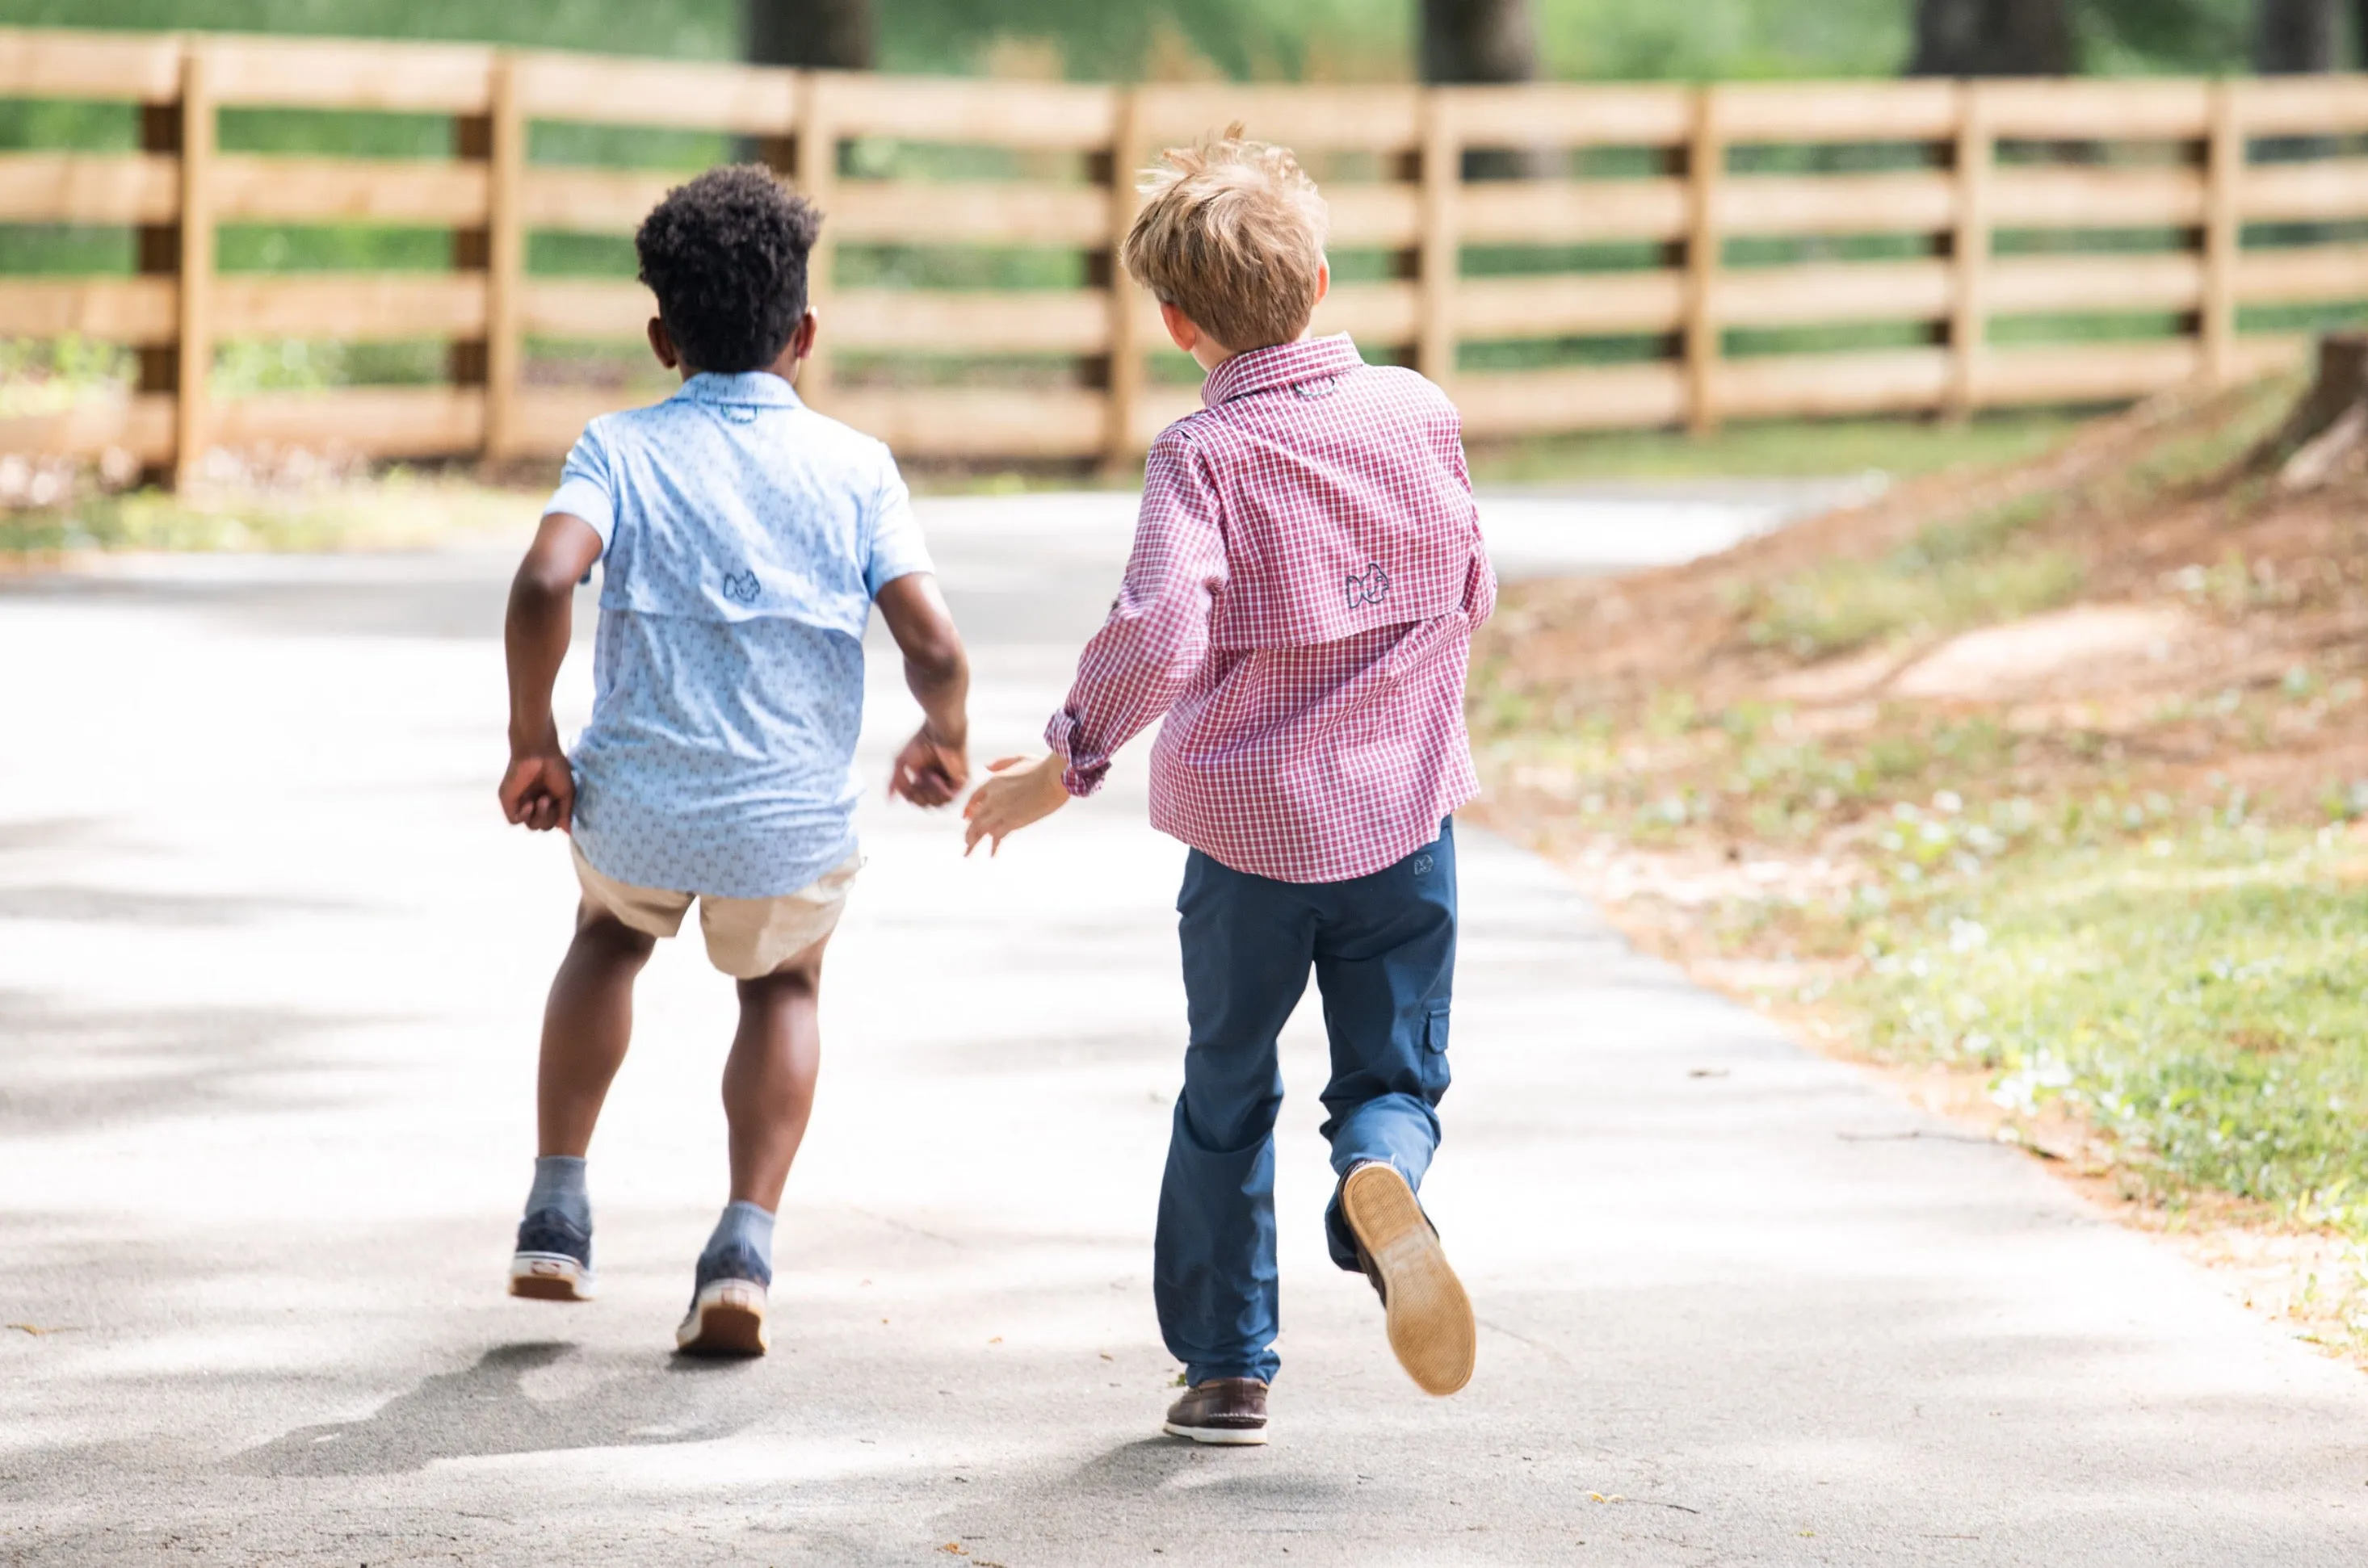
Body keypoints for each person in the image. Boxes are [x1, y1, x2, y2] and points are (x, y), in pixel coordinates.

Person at [963, 129, 1495, 1444]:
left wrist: (1064, 760)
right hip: (1401, 825)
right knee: (1392, 1076)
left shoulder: (1202, 457)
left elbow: (1159, 628)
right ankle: (1380, 1175)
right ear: (1319, 282)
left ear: (1176, 322)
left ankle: (1225, 1366)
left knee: (1227, 1082)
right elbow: (1471, 580)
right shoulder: (1421, 412)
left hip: (1252, 844)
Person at [498, 166, 970, 1357]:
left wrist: (533, 739)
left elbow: (547, 578)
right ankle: (743, 1246)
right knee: (785, 985)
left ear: (662, 337)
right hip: (785, 826)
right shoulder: (858, 469)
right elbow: (934, 642)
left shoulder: (619, 447)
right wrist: (944, 733)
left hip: (636, 811)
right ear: (804, 335)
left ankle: (557, 1206)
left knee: (606, 938)